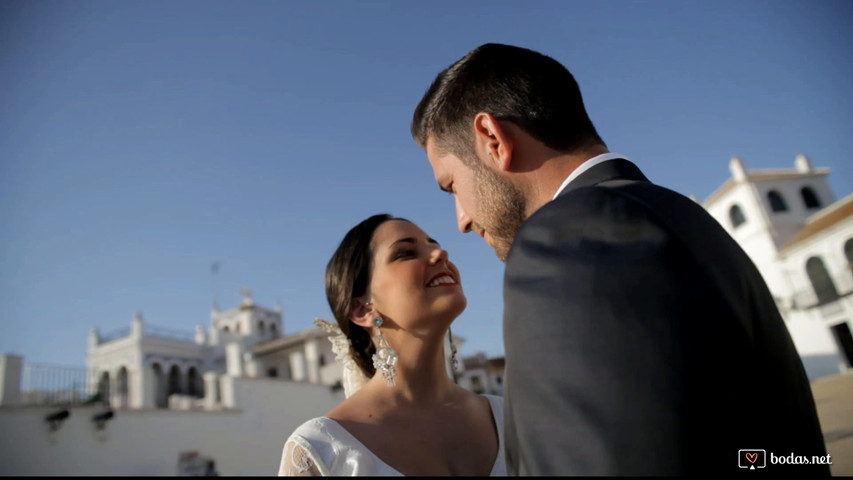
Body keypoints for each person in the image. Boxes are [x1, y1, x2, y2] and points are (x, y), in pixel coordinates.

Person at [411, 43, 829, 475]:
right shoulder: (687, 219)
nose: (461, 221)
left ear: (493, 140)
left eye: (451, 185)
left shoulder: (566, 242)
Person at [278, 214, 506, 476]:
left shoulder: (508, 418)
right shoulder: (323, 451)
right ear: (362, 308)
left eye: (434, 245)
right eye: (406, 253)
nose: (441, 253)